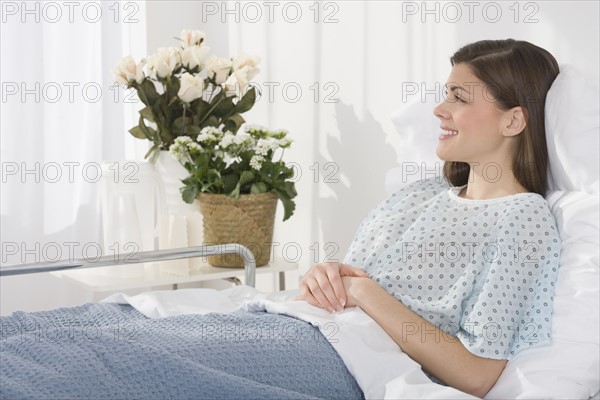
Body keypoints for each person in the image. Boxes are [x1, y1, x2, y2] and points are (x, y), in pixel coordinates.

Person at [297, 39, 562, 399]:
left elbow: (477, 374)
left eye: (459, 97)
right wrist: (323, 278)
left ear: (513, 120)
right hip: (303, 327)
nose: (439, 109)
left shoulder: (523, 218)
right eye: (445, 95)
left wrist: (362, 291)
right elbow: (348, 280)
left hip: (340, 362)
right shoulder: (419, 194)